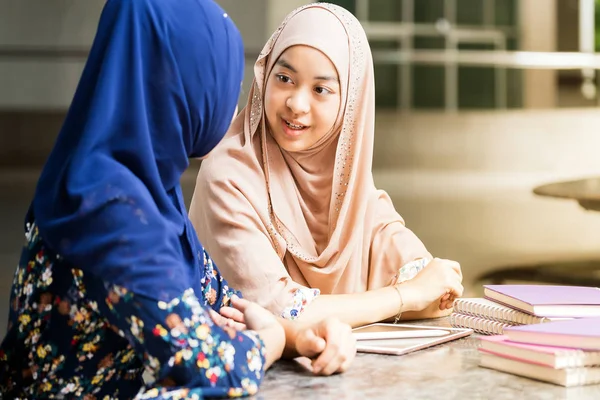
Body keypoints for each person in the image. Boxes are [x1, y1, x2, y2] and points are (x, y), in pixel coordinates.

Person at [0, 1, 355, 398]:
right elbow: (217, 369)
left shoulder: (138, 182)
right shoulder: (109, 211)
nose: (232, 101)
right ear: (175, 85)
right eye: (221, 78)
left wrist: (297, 336)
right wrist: (271, 341)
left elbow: (216, 302)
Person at [189, 3, 464, 329]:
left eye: (320, 89)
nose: (296, 103)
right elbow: (275, 312)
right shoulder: (229, 176)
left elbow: (430, 285)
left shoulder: (351, 189)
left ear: (350, 102)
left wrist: (422, 289)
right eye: (284, 78)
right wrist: (405, 298)